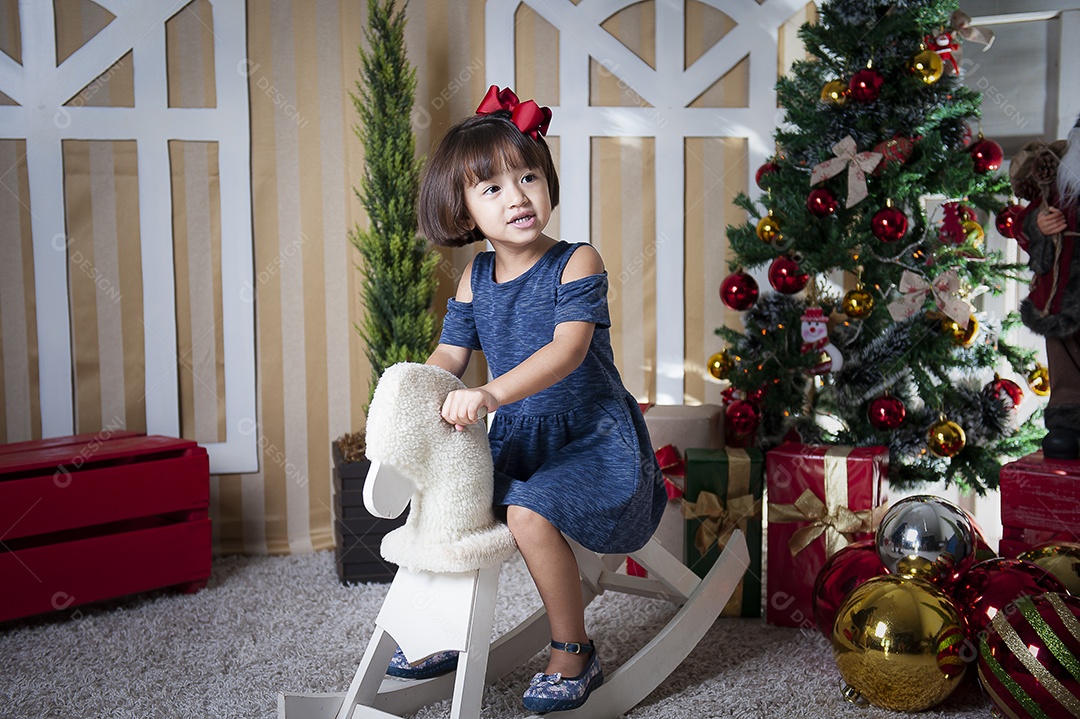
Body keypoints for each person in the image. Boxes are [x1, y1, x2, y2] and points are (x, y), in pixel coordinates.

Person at [383, 85, 666, 712]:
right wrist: (415, 396)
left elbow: (565, 351)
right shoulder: (474, 277)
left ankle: (574, 650)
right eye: (492, 189)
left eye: (528, 177)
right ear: (462, 211)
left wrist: (488, 393)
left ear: (547, 181)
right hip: (519, 434)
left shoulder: (576, 261)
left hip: (590, 435)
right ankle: (439, 631)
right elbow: (448, 358)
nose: (517, 198)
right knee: (447, 504)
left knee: (528, 514)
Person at [1011, 115, 1080, 459]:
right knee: (1063, 358)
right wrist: (1038, 224)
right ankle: (1067, 424)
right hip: (1061, 288)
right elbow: (1024, 225)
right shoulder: (1059, 182)